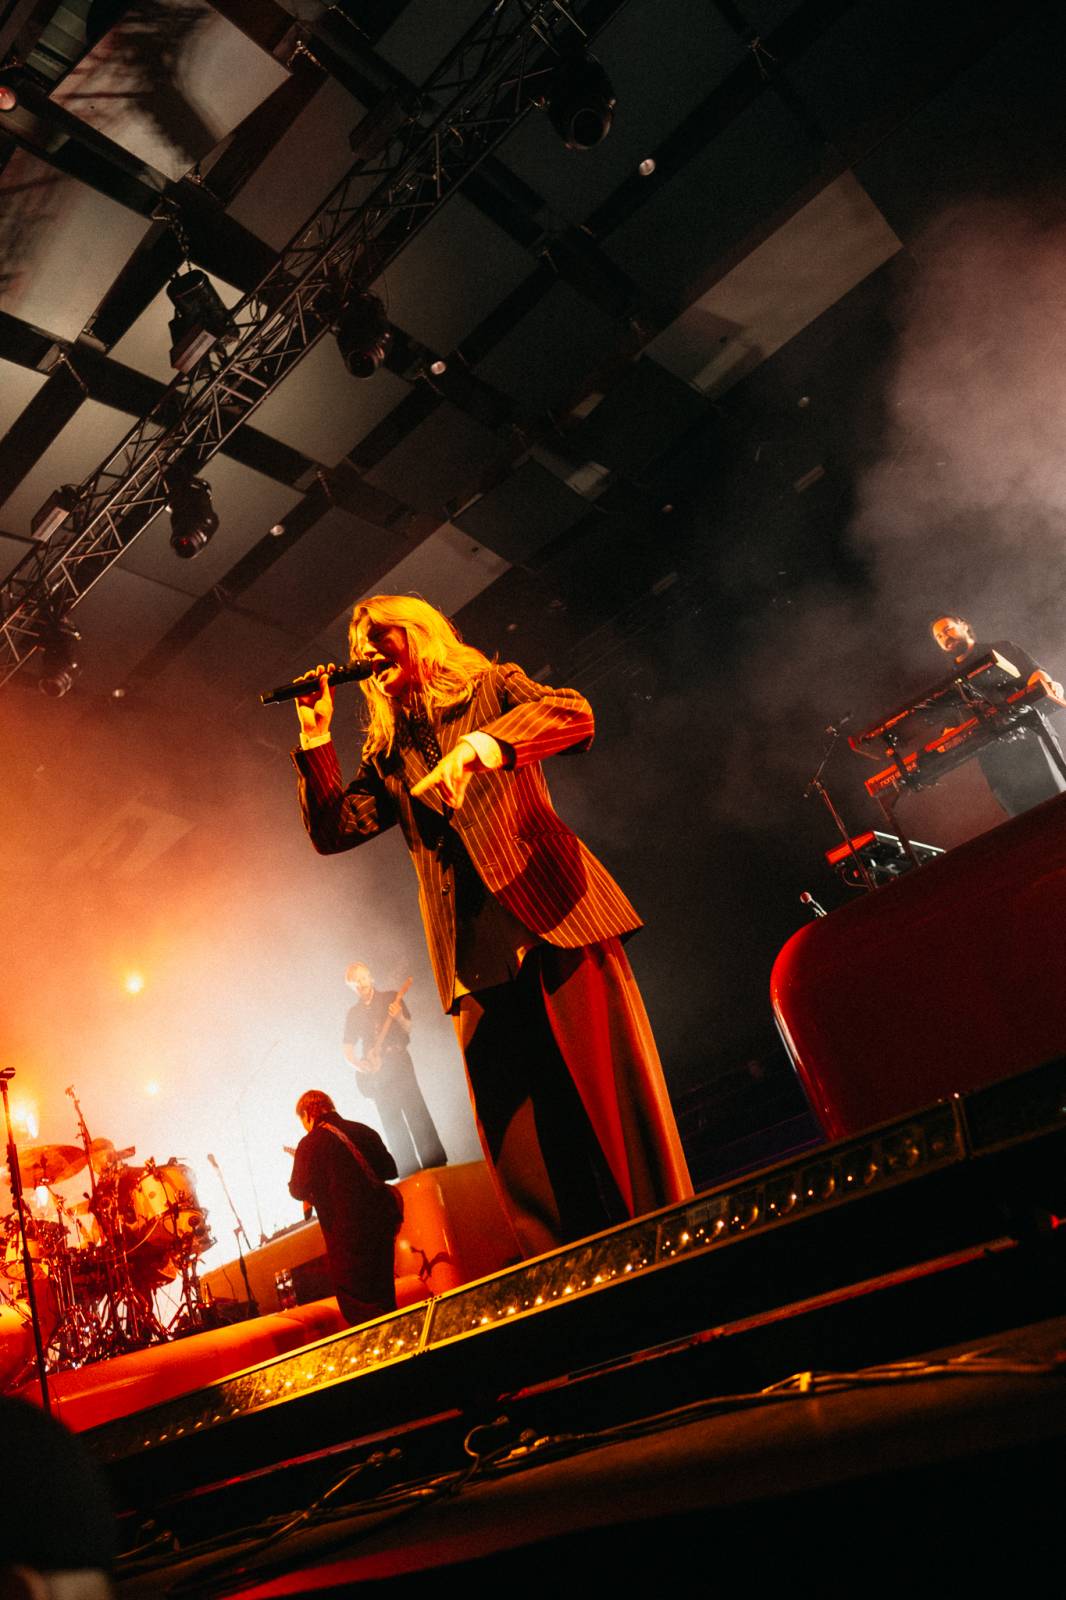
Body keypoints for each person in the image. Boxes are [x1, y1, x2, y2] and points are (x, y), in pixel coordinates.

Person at [290, 594, 692, 1260]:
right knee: (523, 1147)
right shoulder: (389, 754)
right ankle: (572, 1277)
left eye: (379, 637)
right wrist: (313, 736)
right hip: (473, 958)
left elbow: (574, 713)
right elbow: (333, 831)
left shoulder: (491, 686)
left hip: (553, 920)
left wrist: (482, 747)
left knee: (610, 1112)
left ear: (418, 635)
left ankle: (673, 1250)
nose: (366, 654)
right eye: (359, 647)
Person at [930, 614, 1066, 816]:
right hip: (993, 757)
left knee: (1057, 805)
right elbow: (949, 727)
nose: (945, 637)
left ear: (964, 626)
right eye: (940, 636)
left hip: (1031, 735)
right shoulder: (949, 680)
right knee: (1023, 820)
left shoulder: (1001, 648)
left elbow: (1037, 673)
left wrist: (1047, 684)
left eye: (948, 629)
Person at [287, 1090, 400, 1327]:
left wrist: (306, 1161)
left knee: (361, 1310)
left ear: (307, 1114)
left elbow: (297, 1190)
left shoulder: (309, 1144)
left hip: (347, 1240)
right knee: (386, 1300)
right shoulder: (363, 1130)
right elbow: (390, 1169)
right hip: (381, 1228)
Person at [343, 963, 447, 1176]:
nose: (361, 984)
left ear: (371, 978)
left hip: (399, 1061)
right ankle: (408, 1170)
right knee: (391, 1119)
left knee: (415, 1108)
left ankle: (435, 1164)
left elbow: (409, 1028)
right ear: (352, 987)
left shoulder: (391, 997)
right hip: (377, 1073)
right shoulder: (353, 1013)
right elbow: (347, 1048)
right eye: (356, 982)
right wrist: (359, 1065)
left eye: (363, 978)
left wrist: (398, 1016)